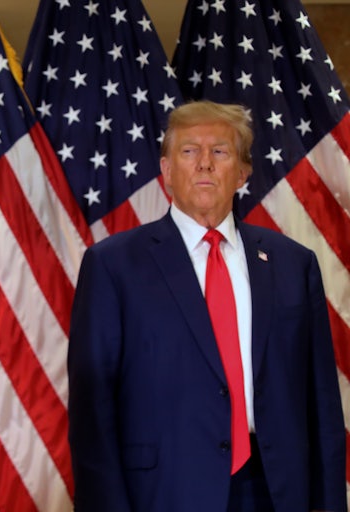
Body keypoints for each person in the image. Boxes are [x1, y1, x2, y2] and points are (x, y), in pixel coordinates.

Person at [68, 100, 346, 512]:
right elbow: (92, 412)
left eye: (219, 151)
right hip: (164, 493)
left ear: (243, 173)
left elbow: (322, 402)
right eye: (189, 150)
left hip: (277, 491)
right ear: (166, 171)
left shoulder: (293, 264)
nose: (204, 163)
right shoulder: (113, 266)